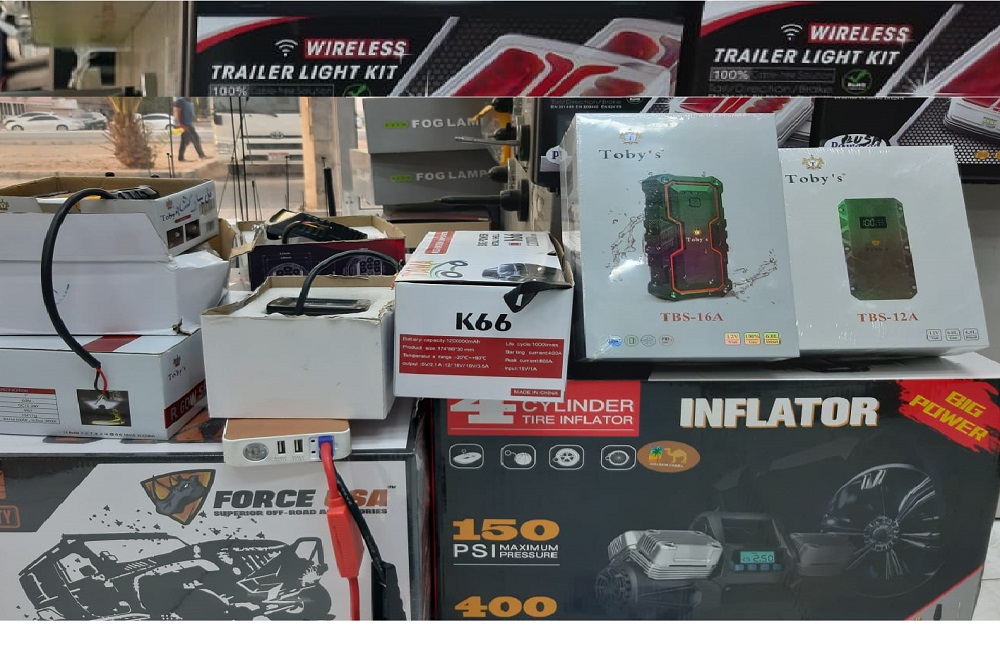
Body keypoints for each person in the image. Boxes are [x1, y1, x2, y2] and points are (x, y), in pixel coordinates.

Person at [172, 96, 208, 161]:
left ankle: (181, 158)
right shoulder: (179, 101)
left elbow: (189, 113)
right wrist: (180, 125)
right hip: (183, 125)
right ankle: (201, 155)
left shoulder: (189, 102)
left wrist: (195, 119)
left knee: (189, 140)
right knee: (192, 139)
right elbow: (176, 113)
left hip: (189, 125)